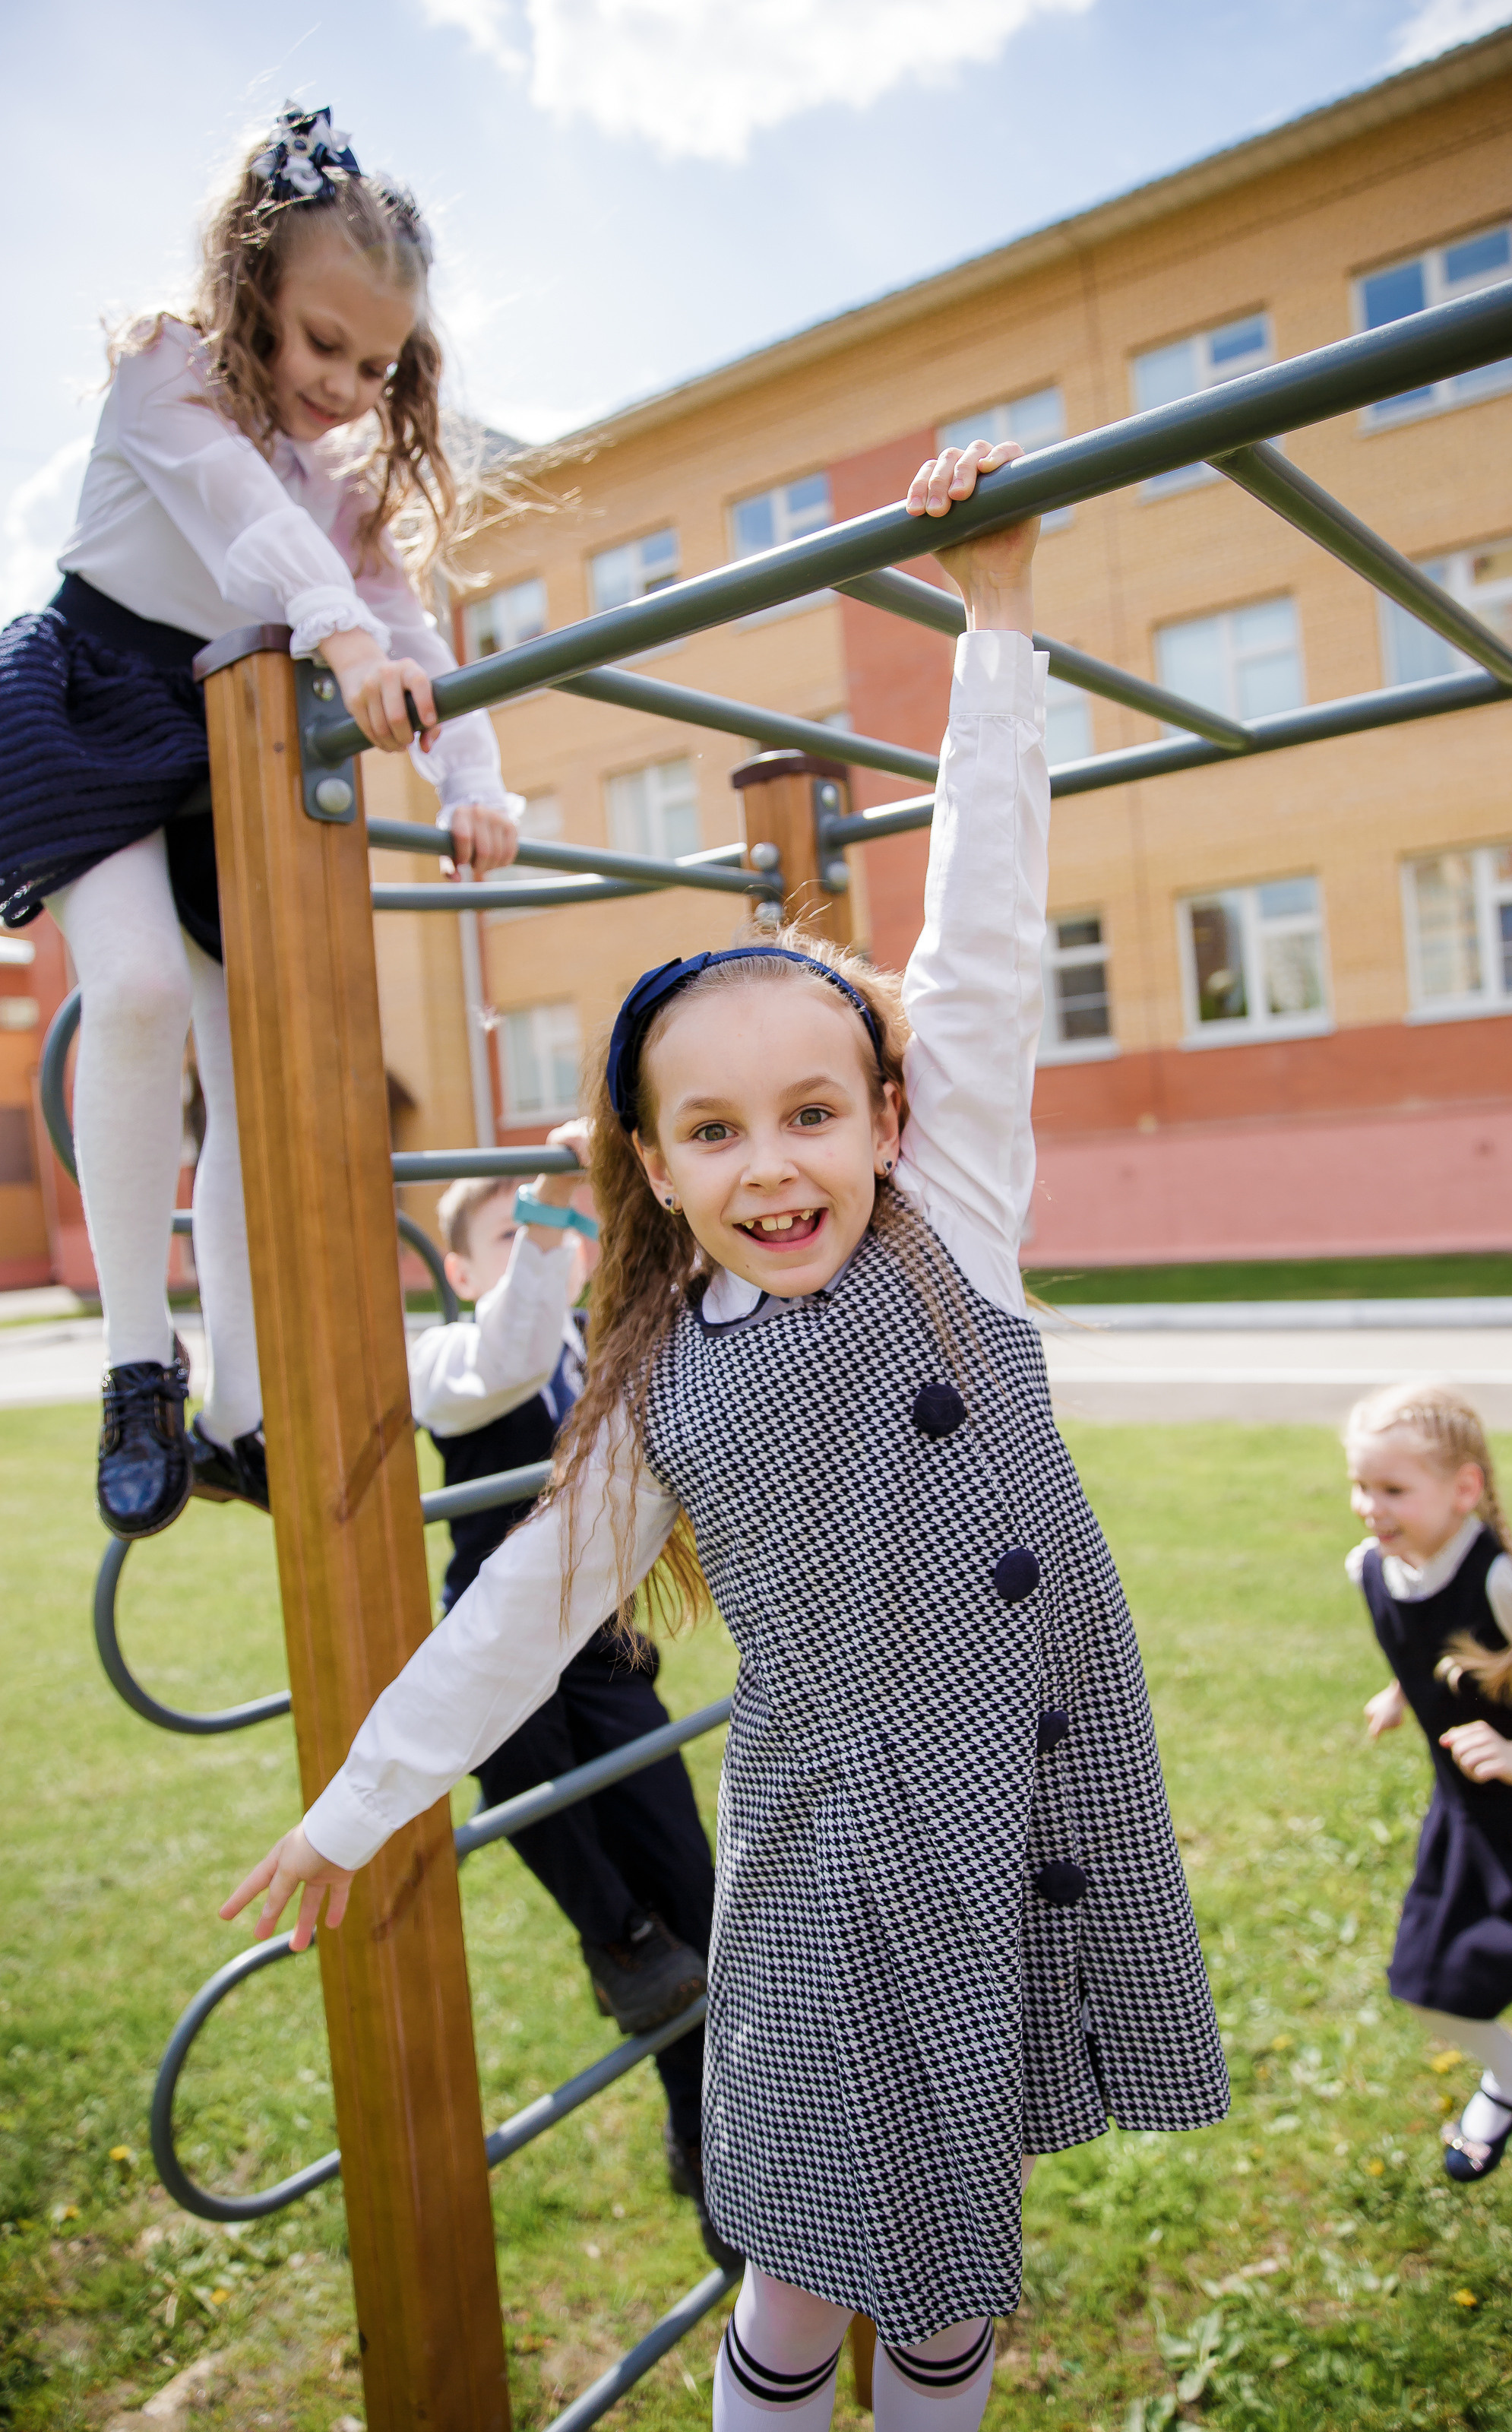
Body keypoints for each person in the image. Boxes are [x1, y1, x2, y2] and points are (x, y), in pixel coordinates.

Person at [224, 439, 1228, 2432]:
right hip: (840, 1845)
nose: (772, 1165)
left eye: (808, 1112)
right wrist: (358, 1802)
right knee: (793, 2270)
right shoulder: (655, 1380)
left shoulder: (951, 1218)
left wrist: (1001, 628)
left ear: (882, 1115)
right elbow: (517, 1616)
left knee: (946, 2273)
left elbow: (987, 946)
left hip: (1020, 1777)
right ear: (652, 1170)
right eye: (712, 1132)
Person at [0, 103, 519, 1541]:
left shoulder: (337, 490)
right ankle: (131, 1358)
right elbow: (242, 522)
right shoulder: (168, 373)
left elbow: (418, 625)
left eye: (376, 362)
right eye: (319, 344)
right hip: (102, 700)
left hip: (227, 746)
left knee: (249, 1069)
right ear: (249, 293)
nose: (345, 386)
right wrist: (341, 637)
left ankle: (237, 1406)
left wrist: (472, 781)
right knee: (145, 993)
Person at [411, 1142, 728, 2261]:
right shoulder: (449, 1352)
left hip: (600, 1640)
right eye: (510, 1234)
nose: (541, 1250)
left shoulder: (591, 1344)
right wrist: (551, 1215)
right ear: (456, 1268)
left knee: (695, 1893)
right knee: (517, 1753)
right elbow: (503, 1353)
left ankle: (706, 2131)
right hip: (501, 1629)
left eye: (555, 1231)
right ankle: (616, 1933)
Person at [1346, 1379, 1512, 2183]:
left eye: (1393, 1488)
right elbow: (1429, 1646)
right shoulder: (1373, 1567)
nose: (1370, 1505)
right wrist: (1402, 1691)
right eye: (1361, 1485)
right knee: (1429, 1984)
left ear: (1465, 1487)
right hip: (1473, 1823)